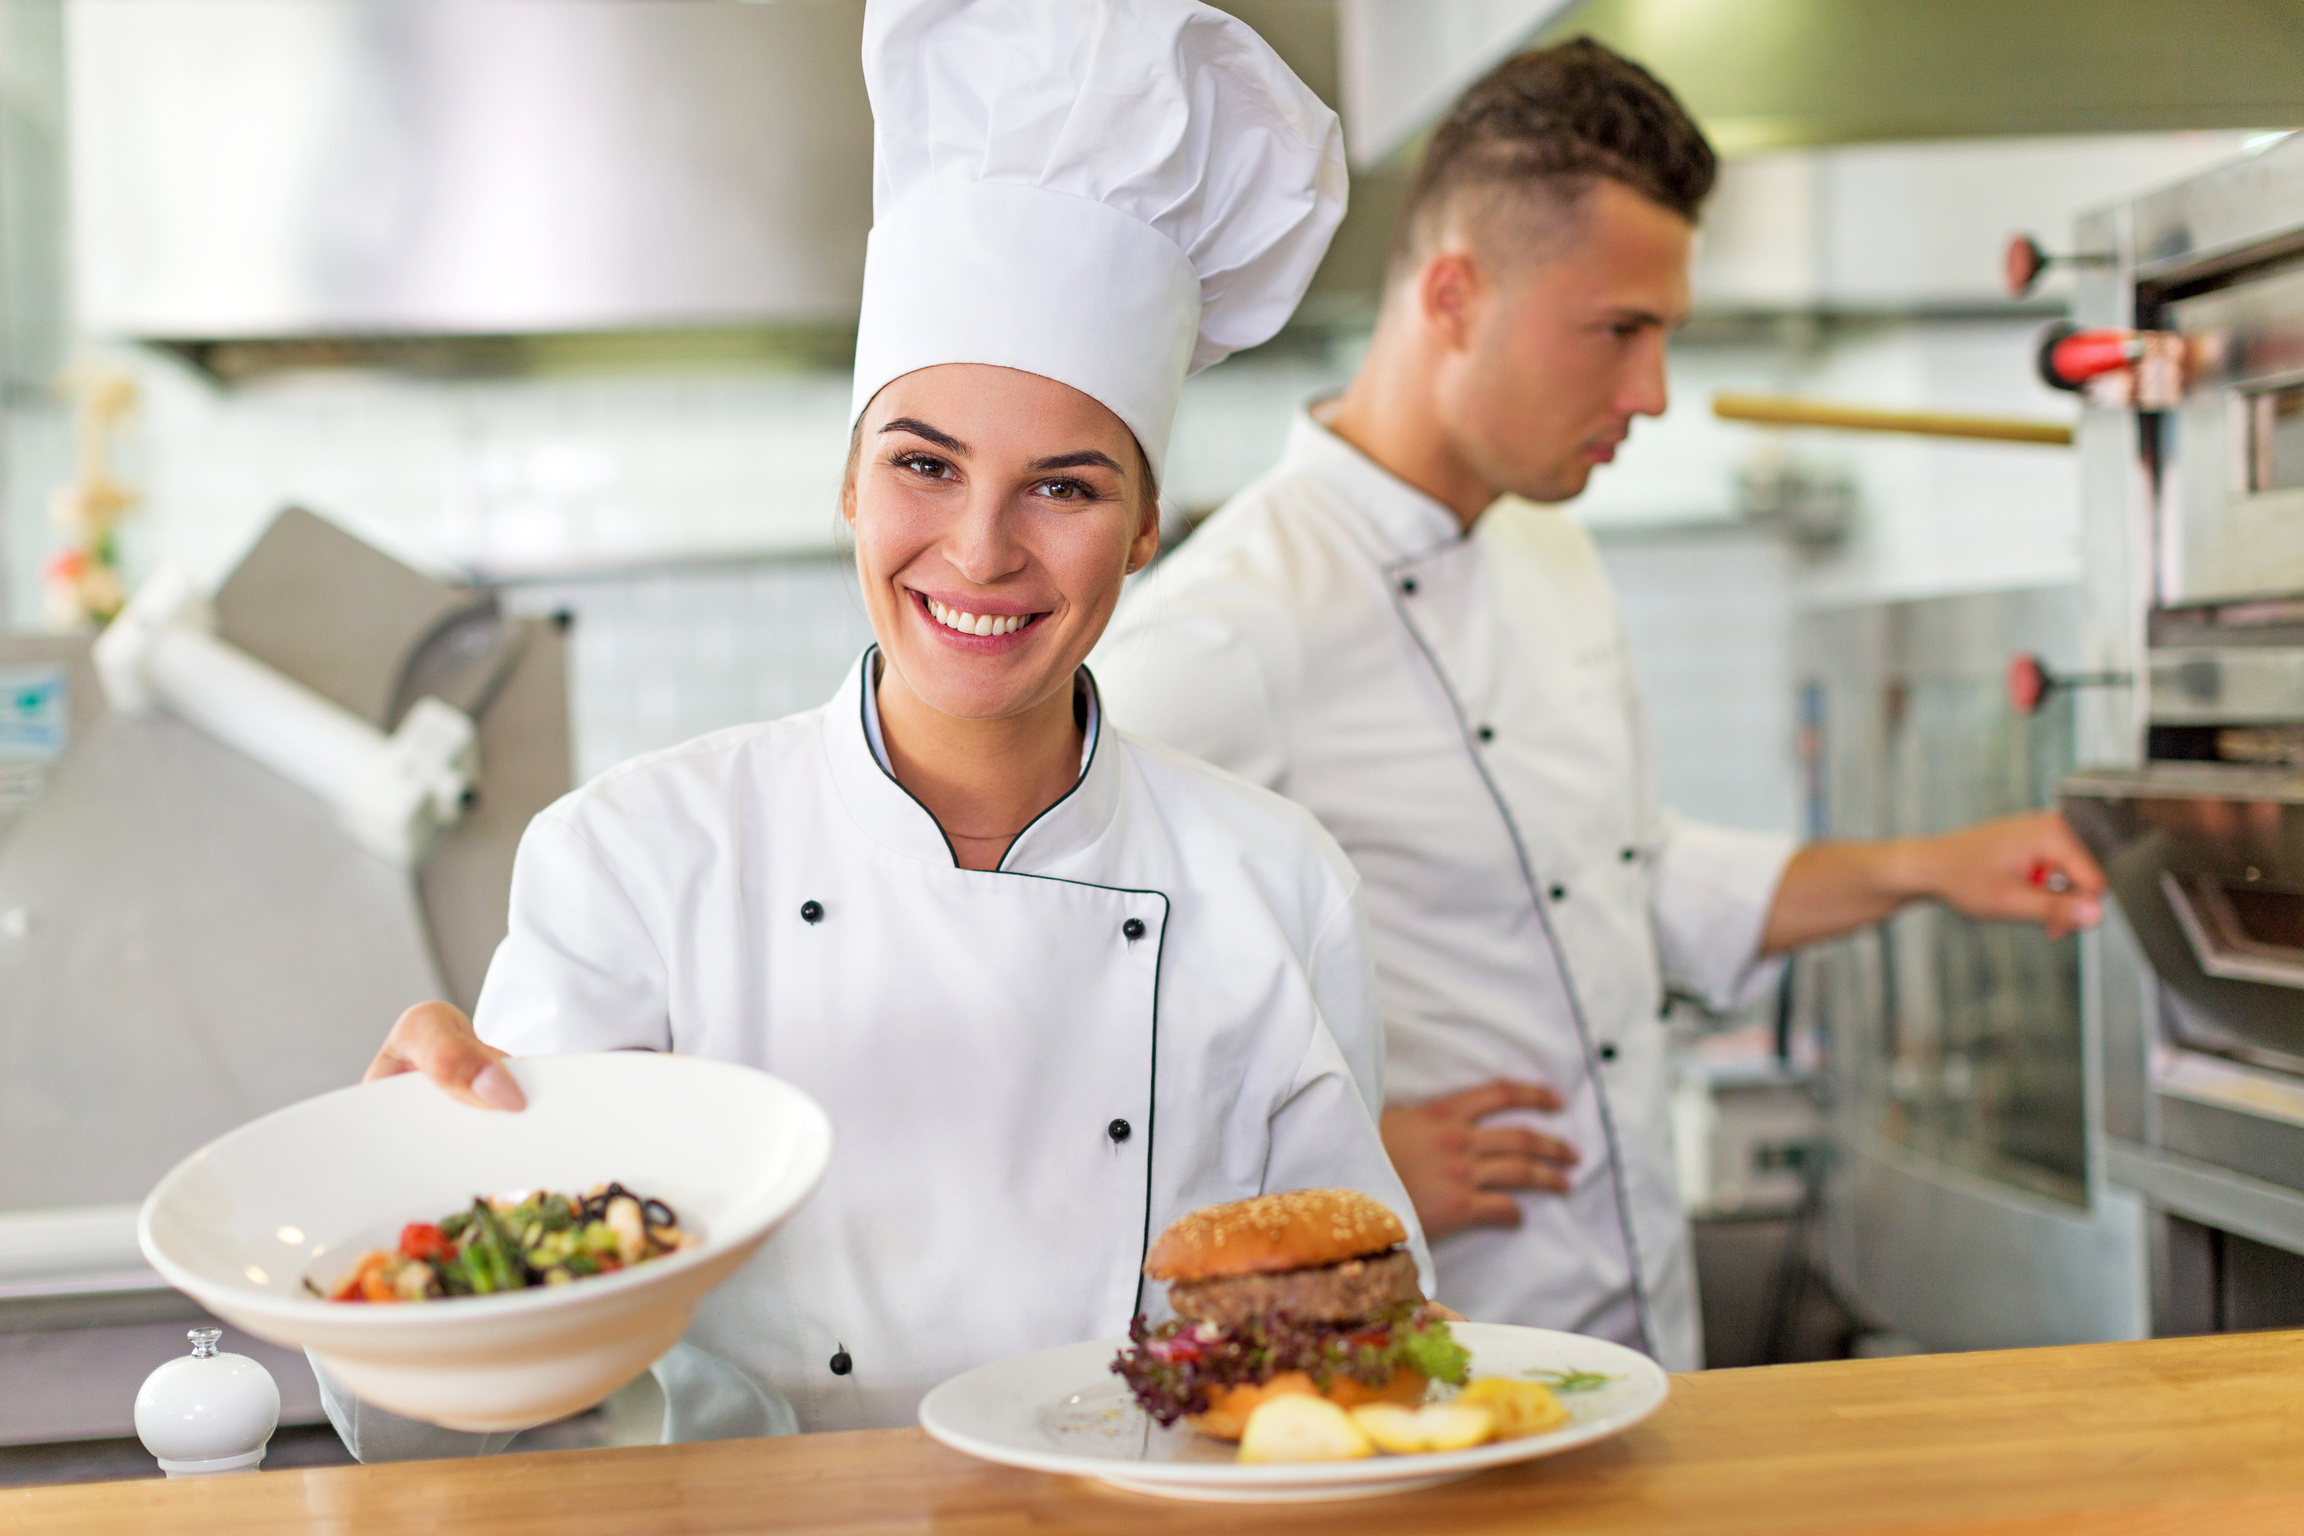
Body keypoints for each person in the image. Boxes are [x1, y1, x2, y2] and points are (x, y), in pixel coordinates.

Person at [364, 0, 1423, 1434]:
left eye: (1066, 485)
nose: (981, 550)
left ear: (1150, 528)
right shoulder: (635, 861)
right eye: (925, 466)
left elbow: (1352, 1347)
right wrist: (413, 1187)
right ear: (849, 483)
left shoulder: (1274, 883)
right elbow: (500, 1386)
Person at [1089, 38, 2108, 1371]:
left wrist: (1932, 866)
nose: (1653, 394)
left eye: (1666, 335)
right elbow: (1073, 1021)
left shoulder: (1548, 548)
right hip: (1425, 1379)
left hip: (1639, 1349)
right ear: (1453, 294)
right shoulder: (1228, 627)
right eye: (1619, 332)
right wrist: (1315, 1168)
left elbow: (1630, 876)